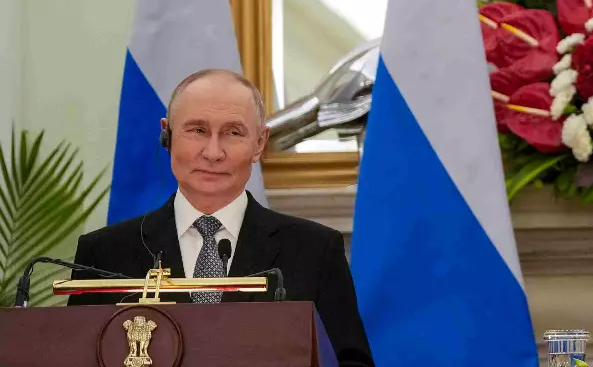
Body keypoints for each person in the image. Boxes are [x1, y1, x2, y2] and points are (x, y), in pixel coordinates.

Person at [69, 69, 374, 366]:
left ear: (259, 143)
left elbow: (350, 361)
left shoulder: (315, 251)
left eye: (233, 132)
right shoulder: (103, 254)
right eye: (198, 130)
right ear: (168, 134)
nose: (213, 152)